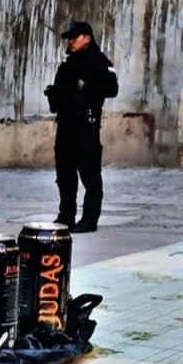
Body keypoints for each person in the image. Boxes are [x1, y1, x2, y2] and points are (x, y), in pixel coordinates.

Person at [46, 21, 118, 233]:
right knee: (65, 173)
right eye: (69, 38)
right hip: (66, 125)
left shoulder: (98, 61)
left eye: (74, 38)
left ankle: (89, 219)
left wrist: (87, 87)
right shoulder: (68, 65)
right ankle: (66, 215)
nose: (70, 41)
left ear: (87, 38)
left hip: (86, 125)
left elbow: (112, 88)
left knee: (89, 174)